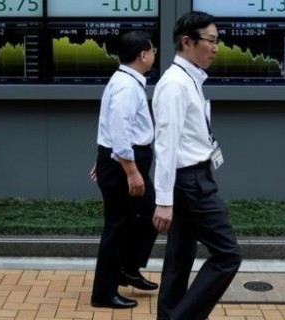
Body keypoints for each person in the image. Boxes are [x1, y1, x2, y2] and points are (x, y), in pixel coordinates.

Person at [151, 12, 242, 320]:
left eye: (218, 41)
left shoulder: (190, 79)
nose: (216, 48)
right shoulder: (175, 85)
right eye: (211, 41)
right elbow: (166, 145)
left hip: (194, 177)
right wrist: (163, 201)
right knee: (228, 254)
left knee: (179, 258)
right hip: (190, 182)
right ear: (187, 42)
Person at [90, 30, 160, 309]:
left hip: (120, 159)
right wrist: (129, 170)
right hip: (125, 163)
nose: (155, 54)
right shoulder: (126, 86)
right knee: (118, 227)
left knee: (151, 211)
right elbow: (119, 129)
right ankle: (103, 293)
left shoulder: (125, 81)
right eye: (153, 50)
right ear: (143, 55)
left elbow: (111, 125)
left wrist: (106, 157)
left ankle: (128, 268)